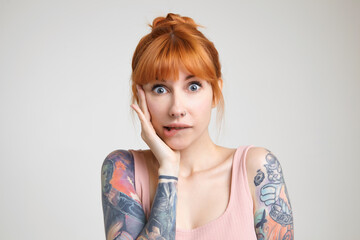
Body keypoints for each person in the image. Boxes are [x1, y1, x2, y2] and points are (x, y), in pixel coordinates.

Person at [101, 13, 294, 240]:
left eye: (193, 86)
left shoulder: (256, 169)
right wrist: (169, 172)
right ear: (139, 97)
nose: (177, 109)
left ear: (215, 93)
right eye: (160, 89)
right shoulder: (123, 171)